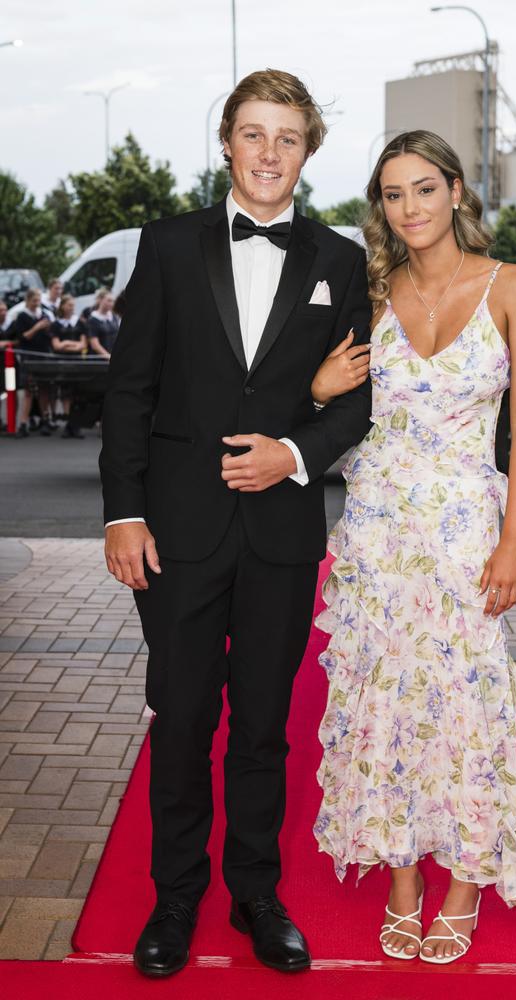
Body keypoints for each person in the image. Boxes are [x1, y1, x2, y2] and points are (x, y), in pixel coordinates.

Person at [99, 69, 372, 978]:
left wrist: (293, 454)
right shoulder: (169, 245)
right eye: (253, 134)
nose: (268, 152)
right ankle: (175, 898)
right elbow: (130, 391)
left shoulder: (339, 260)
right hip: (176, 530)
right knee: (181, 718)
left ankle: (257, 892)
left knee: (262, 724)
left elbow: (353, 402)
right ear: (227, 141)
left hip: (283, 534)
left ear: (309, 149)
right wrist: (123, 513)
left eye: (287, 137)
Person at [312, 130, 516, 965]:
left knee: (464, 703)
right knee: (387, 703)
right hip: (378, 530)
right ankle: (404, 882)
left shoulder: (512, 287)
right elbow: (326, 401)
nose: (408, 208)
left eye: (423, 189)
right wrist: (316, 387)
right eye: (391, 194)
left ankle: (465, 881)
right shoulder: (367, 294)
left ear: (456, 191)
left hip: (464, 533)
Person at [13, 288, 54, 438]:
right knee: (29, 391)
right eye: (34, 301)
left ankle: (45, 419)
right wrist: (37, 327)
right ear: (28, 301)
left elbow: (49, 336)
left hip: (43, 355)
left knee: (44, 389)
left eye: (38, 300)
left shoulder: (44, 314)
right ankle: (23, 423)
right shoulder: (22, 317)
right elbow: (24, 337)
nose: (37, 303)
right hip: (29, 357)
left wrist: (48, 328)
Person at [50, 293, 87, 439]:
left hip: (77, 361)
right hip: (62, 362)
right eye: (69, 305)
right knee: (65, 392)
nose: (72, 308)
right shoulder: (56, 324)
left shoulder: (80, 323)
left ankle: (75, 423)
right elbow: (56, 345)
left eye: (73, 305)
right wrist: (71, 345)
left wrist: (66, 344)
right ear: (63, 306)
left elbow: (83, 345)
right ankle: (67, 422)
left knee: (78, 392)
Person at [88, 290, 119, 356]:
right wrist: (108, 357)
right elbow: (95, 345)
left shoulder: (114, 316)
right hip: (100, 361)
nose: (112, 303)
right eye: (109, 301)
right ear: (100, 300)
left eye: (113, 301)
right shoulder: (93, 319)